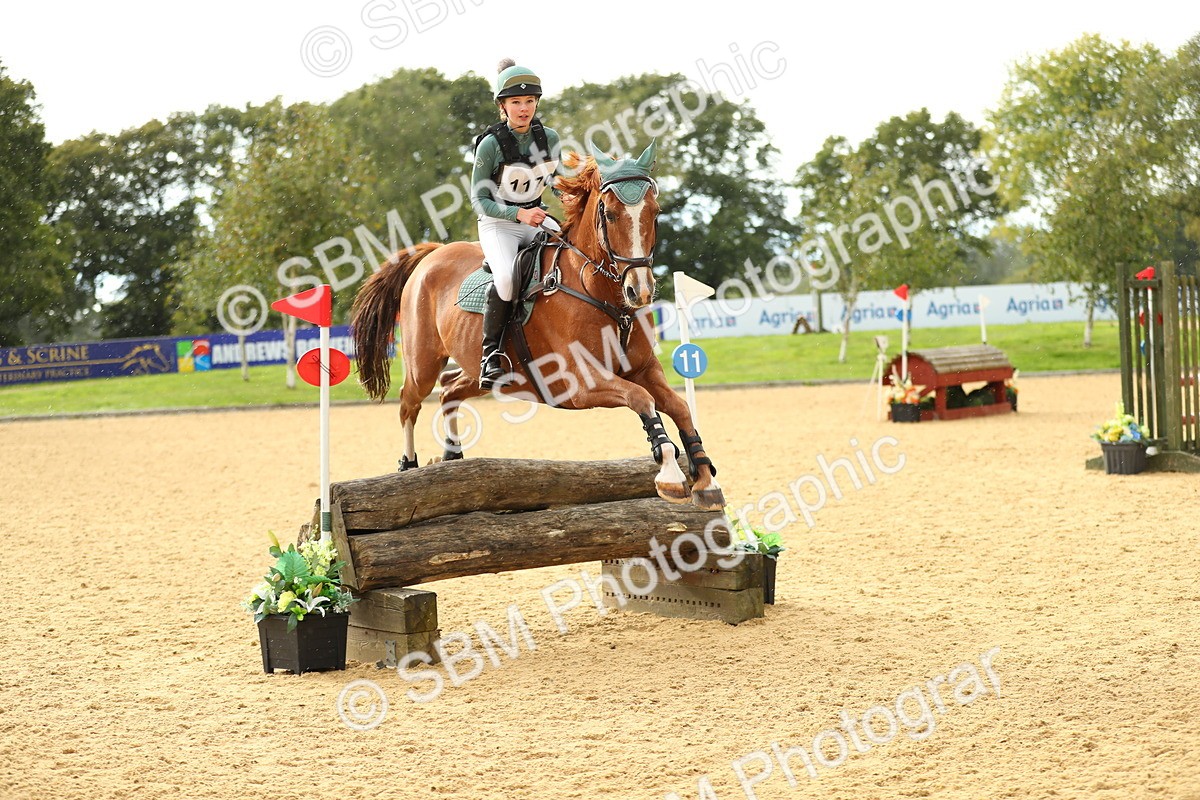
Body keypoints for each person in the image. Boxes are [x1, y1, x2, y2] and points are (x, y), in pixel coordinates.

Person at [470, 58, 561, 389]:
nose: (524, 109)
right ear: (502, 105)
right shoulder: (491, 144)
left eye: (530, 102)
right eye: (516, 102)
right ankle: (490, 355)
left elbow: (559, 182)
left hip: (537, 217)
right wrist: (518, 214)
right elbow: (479, 200)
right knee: (507, 278)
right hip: (499, 223)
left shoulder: (549, 137)